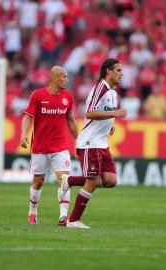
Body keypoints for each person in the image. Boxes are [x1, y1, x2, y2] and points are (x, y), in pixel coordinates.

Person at [58, 58, 127, 229]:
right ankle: (73, 220)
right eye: (118, 70)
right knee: (93, 182)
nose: (121, 73)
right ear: (108, 71)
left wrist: (109, 126)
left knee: (110, 180)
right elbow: (89, 113)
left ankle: (70, 180)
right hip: (90, 142)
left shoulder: (113, 92)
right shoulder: (100, 88)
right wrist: (116, 114)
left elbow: (105, 114)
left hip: (102, 142)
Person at [20, 66, 78, 226]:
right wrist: (23, 134)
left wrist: (79, 139)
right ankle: (32, 211)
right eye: (64, 77)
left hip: (60, 147)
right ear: (54, 77)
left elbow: (71, 120)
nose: (67, 80)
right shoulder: (38, 95)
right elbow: (27, 116)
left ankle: (63, 216)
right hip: (40, 147)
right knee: (39, 180)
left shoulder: (68, 97)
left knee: (64, 180)